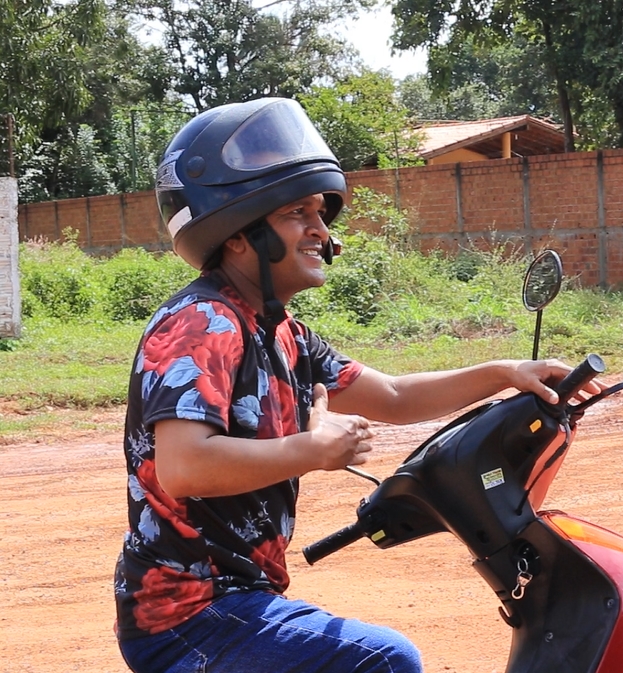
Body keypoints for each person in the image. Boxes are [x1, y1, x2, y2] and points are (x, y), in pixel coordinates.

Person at [113, 97, 596, 673]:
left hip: (237, 602)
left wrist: (503, 373)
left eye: (321, 213)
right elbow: (184, 467)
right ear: (238, 234)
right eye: (298, 214)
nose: (323, 232)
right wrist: (310, 450)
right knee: (384, 662)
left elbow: (393, 396)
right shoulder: (204, 323)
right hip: (189, 617)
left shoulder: (281, 331)